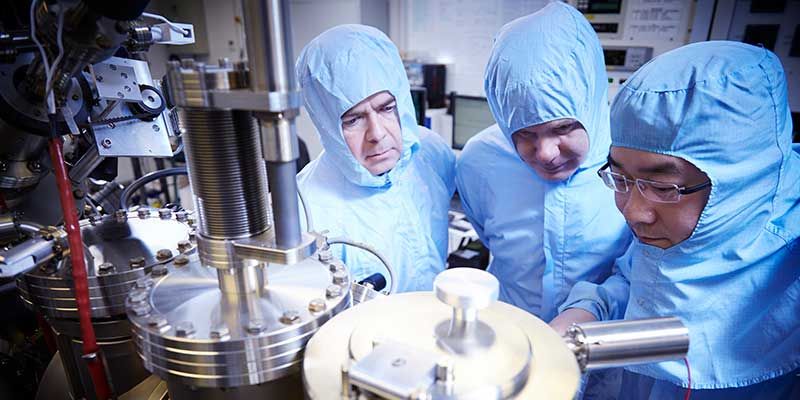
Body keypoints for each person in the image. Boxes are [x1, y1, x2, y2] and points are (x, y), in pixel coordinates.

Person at [551, 41, 800, 398]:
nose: (634, 212)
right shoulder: (671, 231)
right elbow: (639, 281)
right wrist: (580, 320)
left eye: (663, 186)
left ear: (740, 180)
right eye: (620, 178)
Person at [456, 2, 631, 320]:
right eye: (524, 134)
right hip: (509, 332)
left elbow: (641, 269)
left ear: (589, 102)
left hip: (601, 347)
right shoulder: (479, 161)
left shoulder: (632, 159)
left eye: (563, 127)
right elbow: (485, 232)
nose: (546, 153)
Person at [295, 25, 455, 293]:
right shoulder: (305, 212)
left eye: (386, 108)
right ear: (326, 126)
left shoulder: (431, 153)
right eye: (353, 119)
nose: (378, 134)